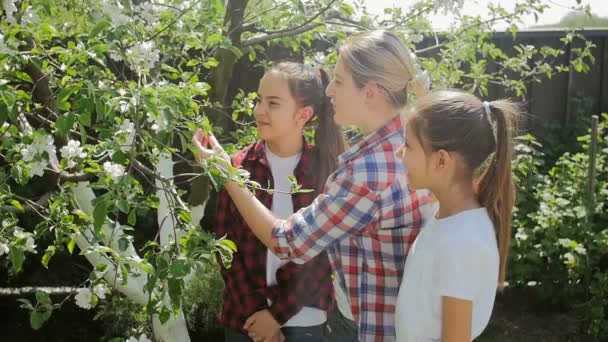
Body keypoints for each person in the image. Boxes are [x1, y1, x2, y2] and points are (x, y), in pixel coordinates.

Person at [194, 30, 436, 341]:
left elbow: (289, 242)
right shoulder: (415, 145)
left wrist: (226, 174)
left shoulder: (365, 173)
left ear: (370, 92)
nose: (330, 90)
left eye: (339, 80)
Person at [215, 62, 345, 342]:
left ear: (303, 114)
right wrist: (257, 314)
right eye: (259, 100)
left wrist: (276, 317)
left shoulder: (325, 170)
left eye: (272, 103)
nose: (259, 110)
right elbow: (225, 248)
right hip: (244, 321)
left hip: (304, 320)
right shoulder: (237, 166)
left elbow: (320, 257)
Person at [394, 90, 519, 341]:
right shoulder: (445, 216)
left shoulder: (461, 242)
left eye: (407, 145)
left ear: (441, 161)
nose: (399, 153)